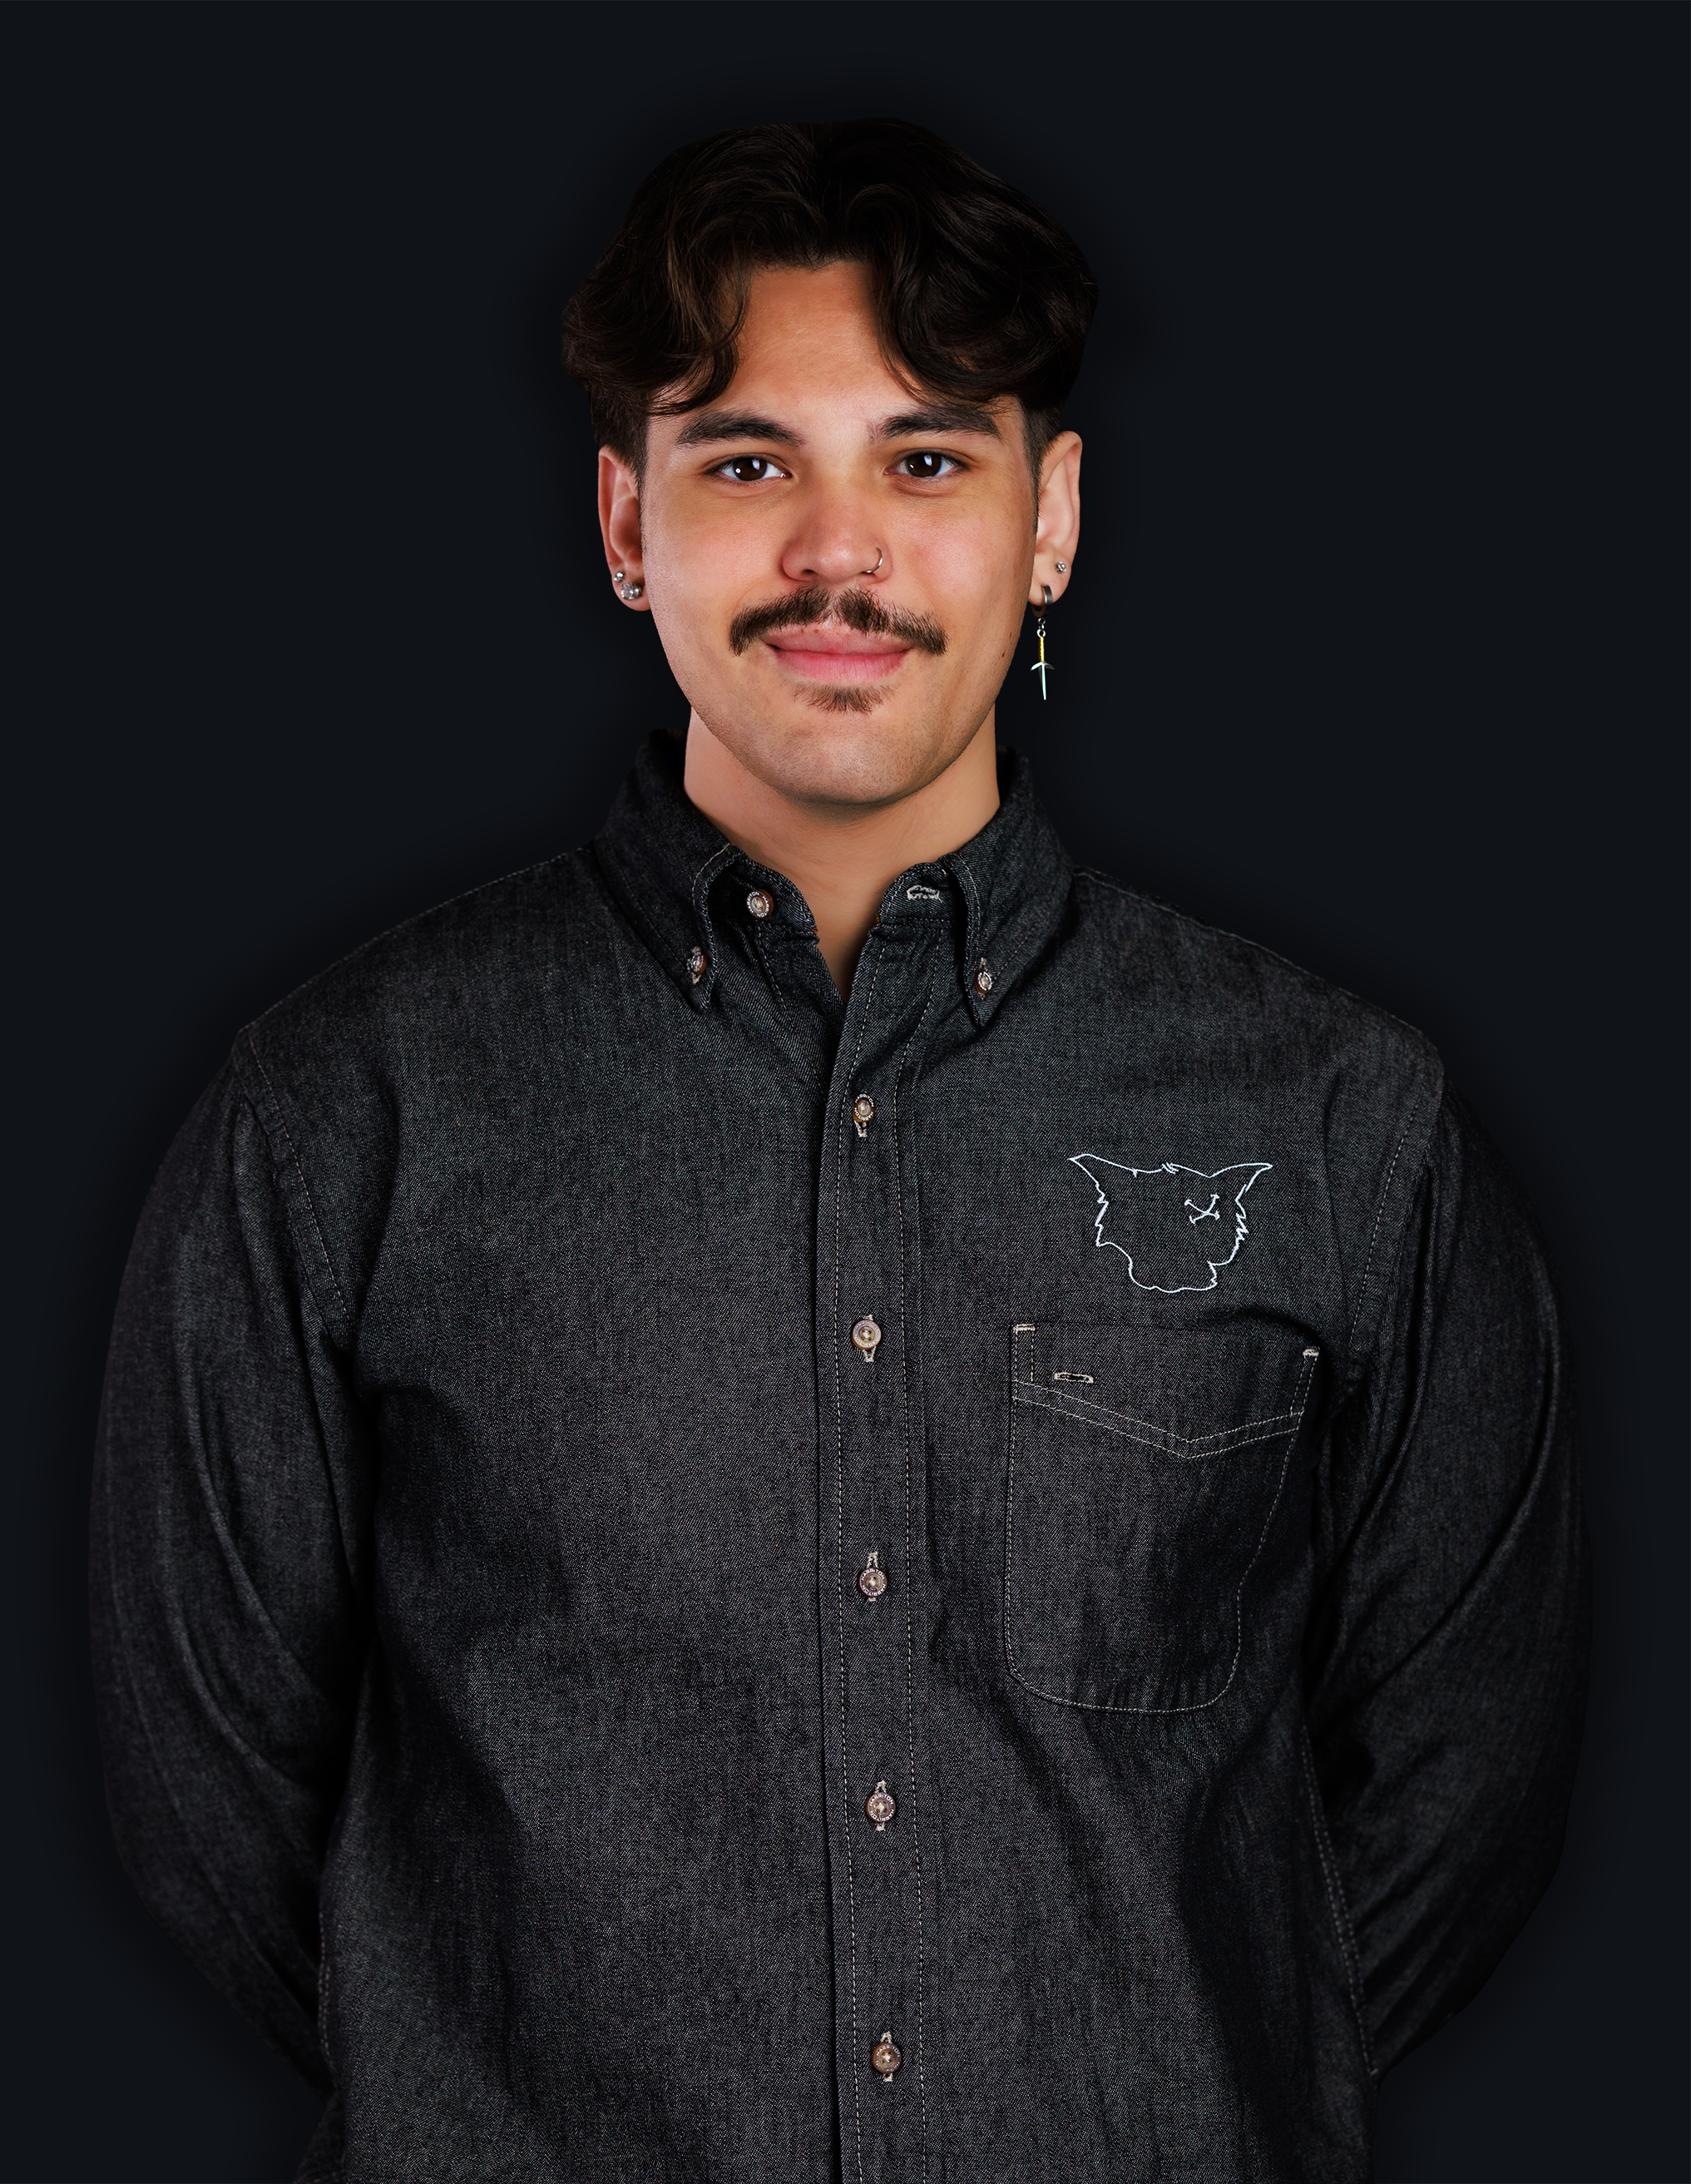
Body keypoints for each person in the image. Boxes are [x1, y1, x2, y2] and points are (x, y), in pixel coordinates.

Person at [90, 119, 1590, 2184]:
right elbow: (208, 1790)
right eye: (746, 462)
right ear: (626, 523)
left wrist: (1152, 2092)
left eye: (928, 458)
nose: (835, 551)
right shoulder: (347, 1107)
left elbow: (1462, 1777)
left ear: (1055, 520)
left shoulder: (1338, 1116)